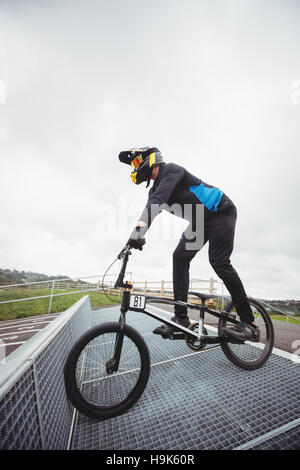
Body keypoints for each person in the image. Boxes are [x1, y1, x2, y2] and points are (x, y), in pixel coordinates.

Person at [118, 147, 260, 342]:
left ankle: (249, 323)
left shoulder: (171, 170)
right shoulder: (154, 190)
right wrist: (132, 239)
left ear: (149, 159)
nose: (135, 168)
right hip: (201, 221)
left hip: (221, 212)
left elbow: (158, 202)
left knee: (219, 262)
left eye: (136, 163)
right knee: (179, 257)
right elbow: (152, 207)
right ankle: (181, 317)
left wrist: (139, 231)